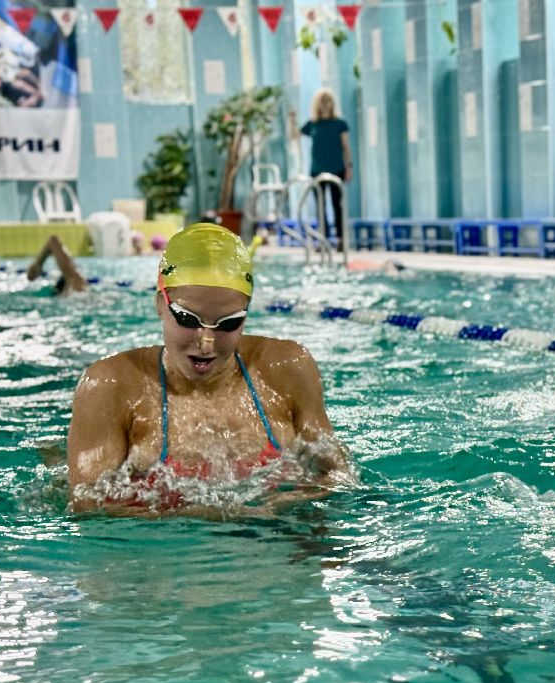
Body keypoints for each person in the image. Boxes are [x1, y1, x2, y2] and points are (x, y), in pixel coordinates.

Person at [66, 223, 342, 509]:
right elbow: (87, 504)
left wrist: (296, 501)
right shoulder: (111, 385)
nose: (207, 342)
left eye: (229, 323)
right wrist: (218, 515)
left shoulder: (287, 368)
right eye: (188, 319)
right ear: (161, 303)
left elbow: (339, 474)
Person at [298, 90, 351, 242]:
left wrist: (349, 167)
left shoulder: (340, 124)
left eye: (327, 100)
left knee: (337, 205)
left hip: (337, 168)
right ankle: (323, 240)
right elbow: (295, 135)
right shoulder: (312, 124)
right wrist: (291, 120)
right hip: (317, 170)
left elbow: (346, 147)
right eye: (322, 101)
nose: (325, 104)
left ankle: (341, 239)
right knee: (320, 207)